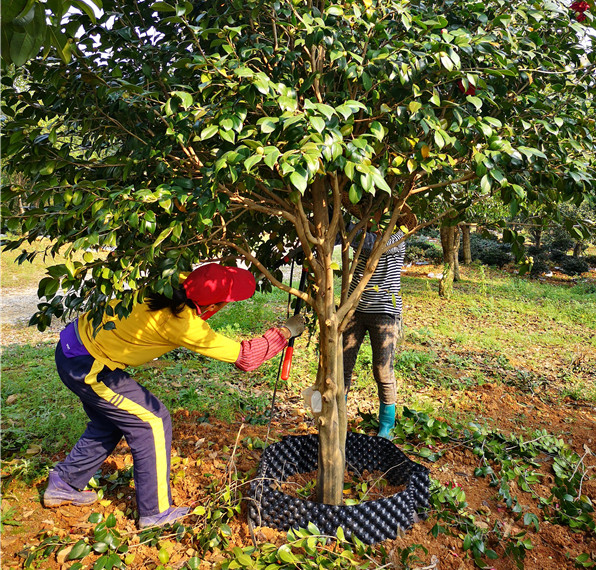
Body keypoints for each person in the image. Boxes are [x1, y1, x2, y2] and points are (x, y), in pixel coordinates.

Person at [43, 263, 306, 528]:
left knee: (109, 423)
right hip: (88, 366)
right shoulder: (182, 323)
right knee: (152, 421)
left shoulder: (173, 279)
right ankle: (155, 513)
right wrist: (285, 332)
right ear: (211, 306)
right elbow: (247, 357)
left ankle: (63, 483)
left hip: (74, 345)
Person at [343, 224, 407, 440]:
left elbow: (372, 245)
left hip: (384, 312)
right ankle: (338, 413)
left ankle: (387, 424)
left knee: (382, 369)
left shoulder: (397, 236)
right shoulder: (362, 231)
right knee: (342, 365)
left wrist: (347, 229)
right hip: (355, 308)